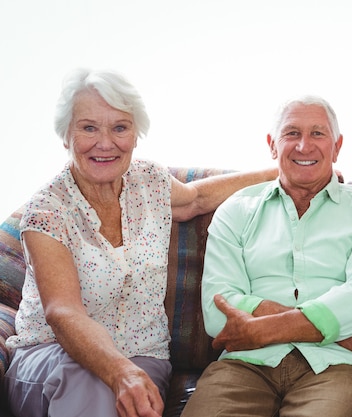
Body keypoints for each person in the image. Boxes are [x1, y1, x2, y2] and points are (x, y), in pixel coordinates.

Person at [3, 68, 277, 417]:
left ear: (135, 134)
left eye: (120, 127)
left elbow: (195, 199)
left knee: (119, 395)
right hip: (51, 358)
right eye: (89, 128)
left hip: (143, 357)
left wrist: (281, 172)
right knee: (94, 386)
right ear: (65, 135)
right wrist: (119, 371)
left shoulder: (148, 181)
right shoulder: (47, 211)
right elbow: (63, 311)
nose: (106, 143)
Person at [181, 96, 352, 417]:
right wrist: (338, 334)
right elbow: (219, 311)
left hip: (339, 368)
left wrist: (261, 327)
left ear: (337, 146)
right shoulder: (236, 209)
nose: (304, 146)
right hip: (247, 364)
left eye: (318, 134)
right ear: (272, 145)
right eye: (292, 134)